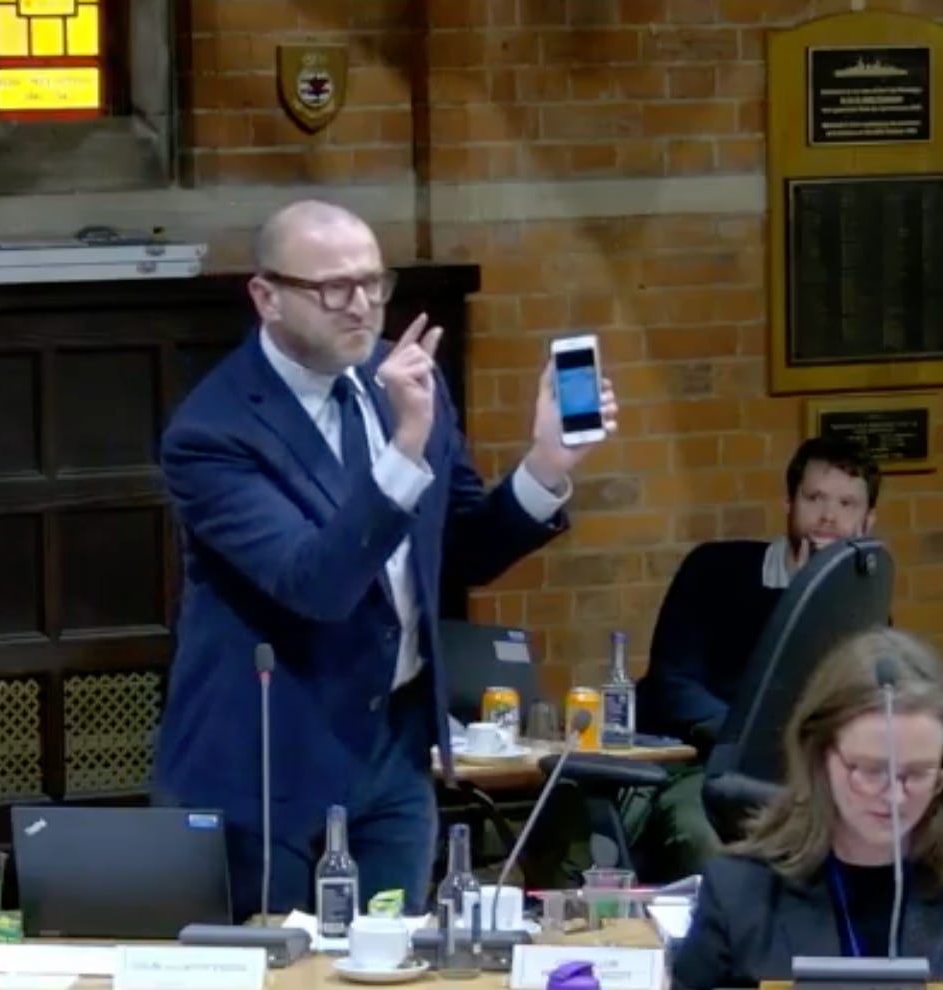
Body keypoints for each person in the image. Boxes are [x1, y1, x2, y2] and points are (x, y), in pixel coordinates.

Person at [150, 199, 618, 919]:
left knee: (393, 956)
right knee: (278, 965)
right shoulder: (214, 431)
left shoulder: (402, 382)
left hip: (393, 750)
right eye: (333, 288)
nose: (361, 306)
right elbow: (316, 583)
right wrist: (403, 448)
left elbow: (460, 549)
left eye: (373, 282)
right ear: (267, 297)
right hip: (263, 764)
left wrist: (545, 467)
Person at [671, 627, 943, 990]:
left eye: (917, 773)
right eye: (869, 770)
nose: (894, 797)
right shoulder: (739, 890)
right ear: (818, 754)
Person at [628, 436, 881, 882]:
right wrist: (752, 740)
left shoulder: (860, 603)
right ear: (788, 503)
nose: (828, 515)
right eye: (815, 498)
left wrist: (814, 601)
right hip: (703, 767)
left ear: (867, 522)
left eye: (846, 504)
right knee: (703, 841)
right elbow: (673, 686)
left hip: (805, 778)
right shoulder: (715, 570)